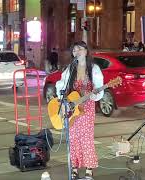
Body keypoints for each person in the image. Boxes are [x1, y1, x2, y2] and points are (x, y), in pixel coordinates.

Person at [55, 41, 104, 180]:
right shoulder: (70, 68)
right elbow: (61, 85)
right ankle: (74, 168)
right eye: (74, 50)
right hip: (72, 108)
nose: (77, 52)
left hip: (87, 108)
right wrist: (63, 101)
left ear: (86, 51)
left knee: (86, 138)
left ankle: (89, 169)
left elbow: (99, 86)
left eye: (80, 49)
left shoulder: (93, 68)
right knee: (73, 138)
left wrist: (95, 94)